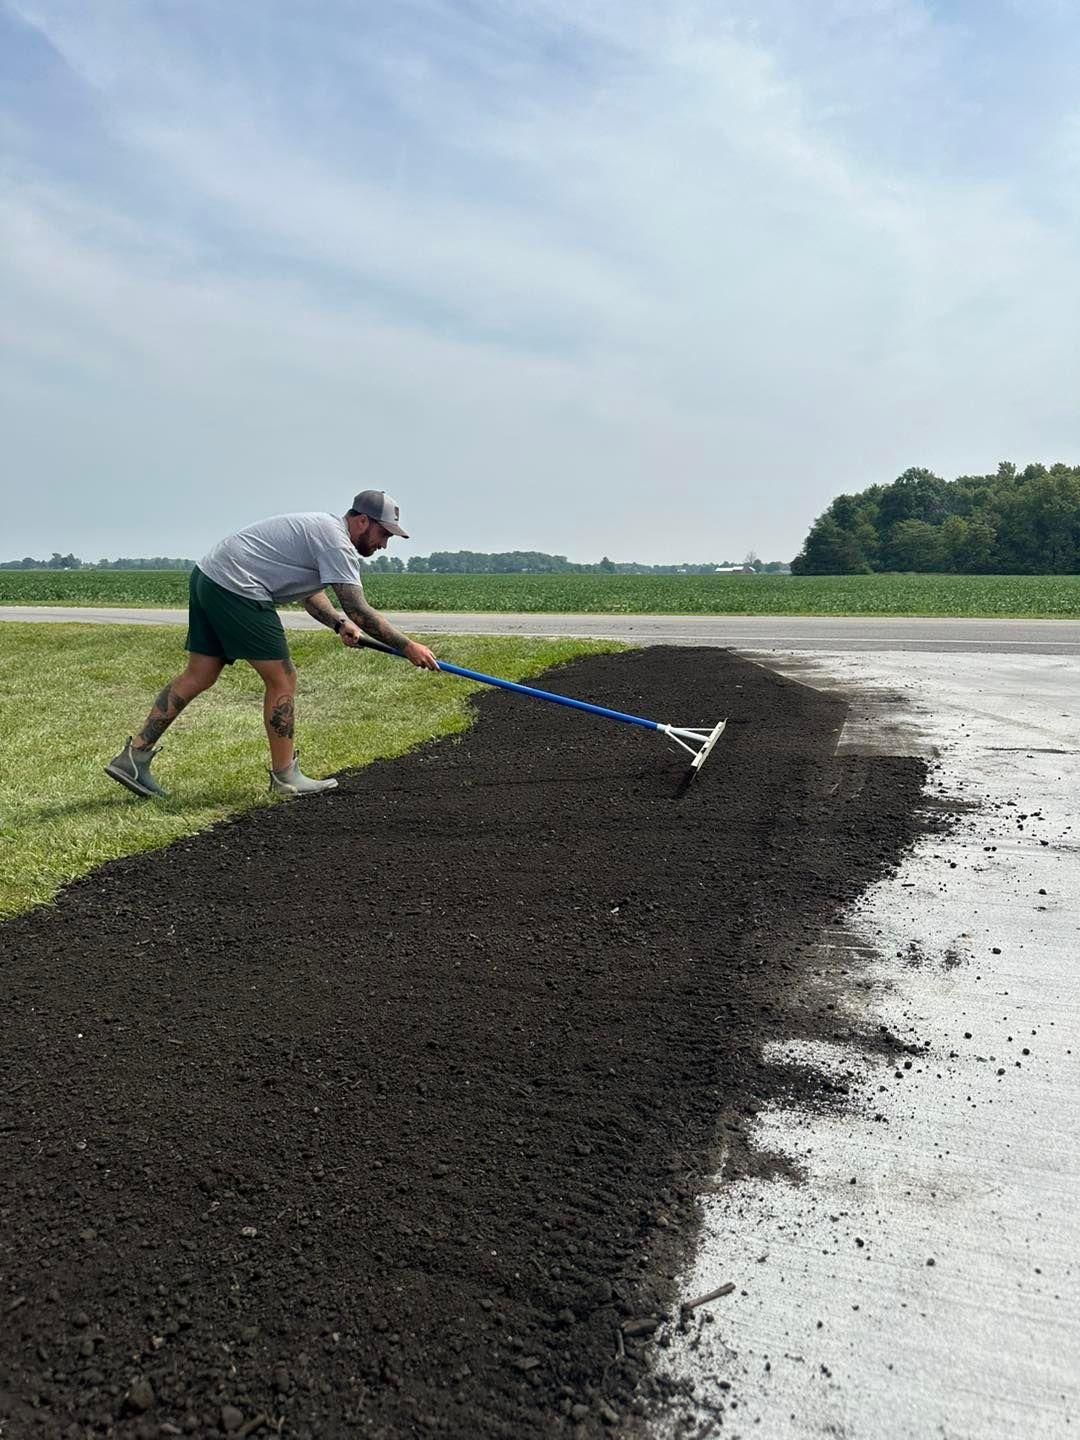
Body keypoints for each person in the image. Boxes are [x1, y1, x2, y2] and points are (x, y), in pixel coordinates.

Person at [104, 490, 438, 799]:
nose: (385, 544)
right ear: (362, 521)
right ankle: (285, 777)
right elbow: (360, 610)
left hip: (209, 577)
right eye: (384, 534)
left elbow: (311, 594)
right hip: (239, 588)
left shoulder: (322, 530)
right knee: (282, 678)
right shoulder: (336, 542)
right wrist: (409, 647)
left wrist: (338, 623)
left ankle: (133, 757)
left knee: (200, 674)